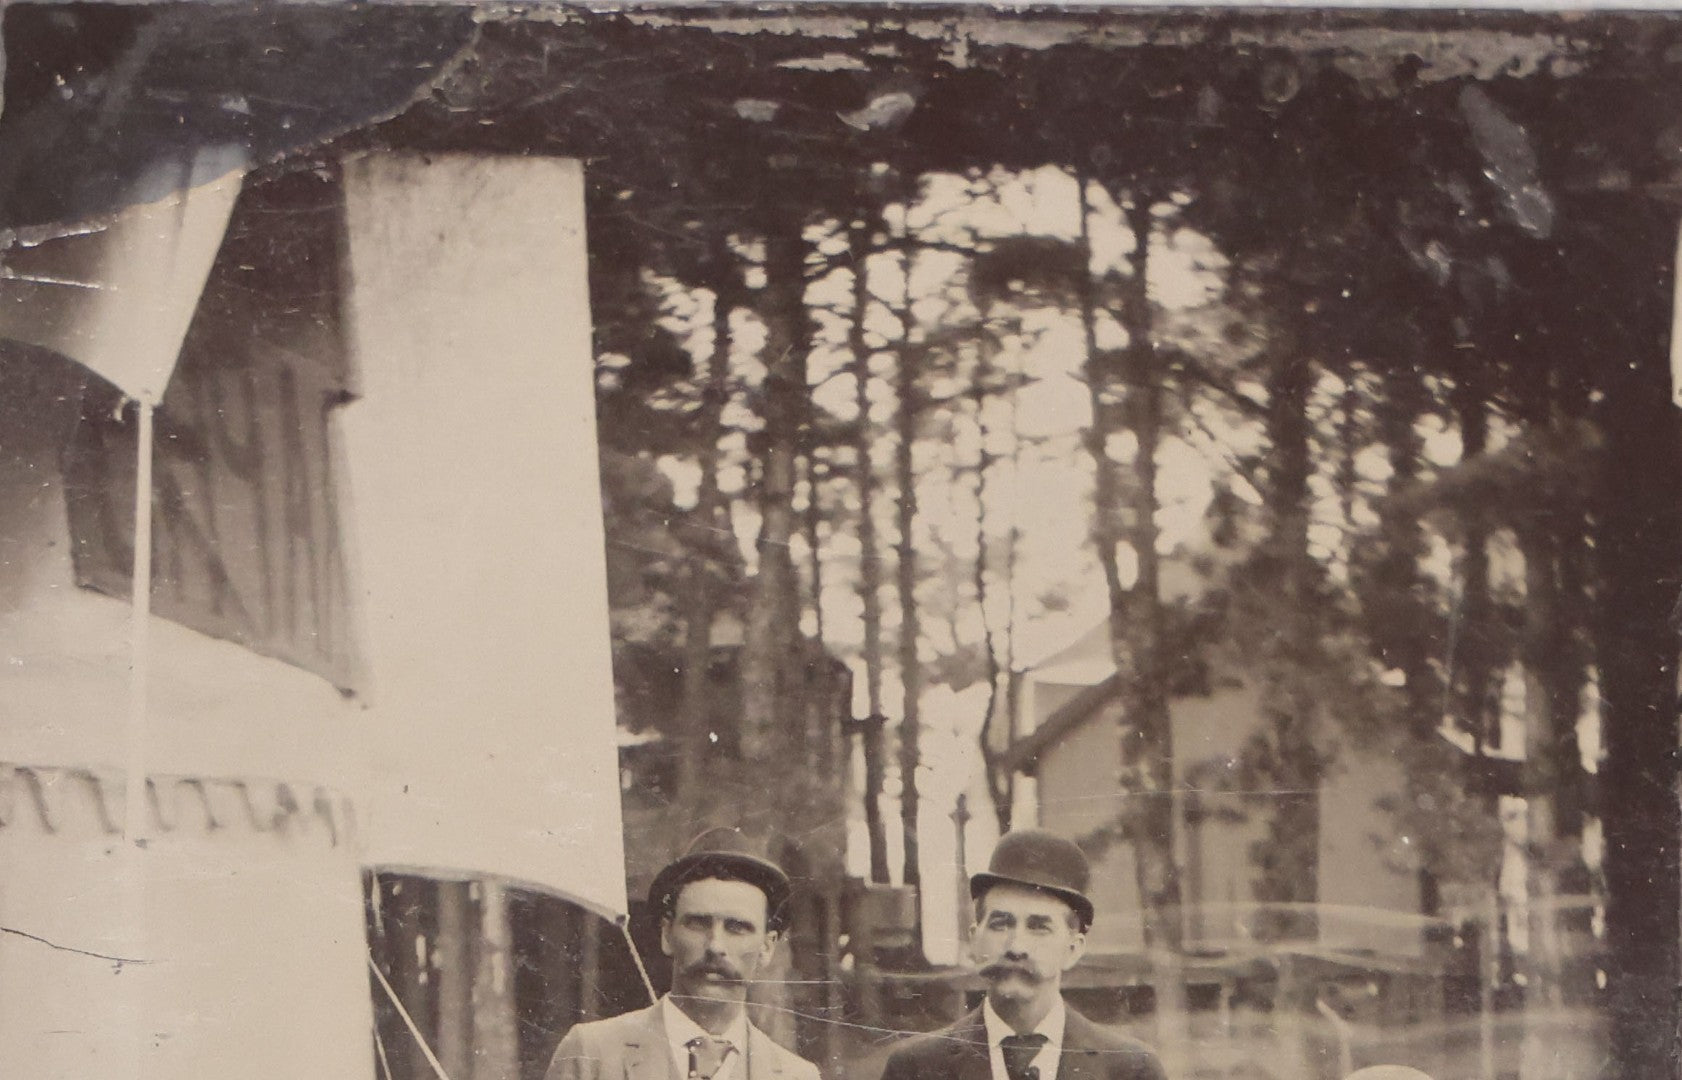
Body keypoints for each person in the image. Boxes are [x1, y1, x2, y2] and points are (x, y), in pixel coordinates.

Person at [879, 829, 1168, 1080]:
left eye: (1039, 927)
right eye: (1000, 924)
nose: (1016, 946)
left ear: (1073, 950)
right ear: (974, 940)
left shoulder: (1131, 1070)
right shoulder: (914, 1068)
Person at [543, 828, 821, 1080]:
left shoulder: (797, 1076)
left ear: (767, 947)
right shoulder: (592, 1055)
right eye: (698, 923)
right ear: (667, 934)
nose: (715, 945)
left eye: (737, 928)